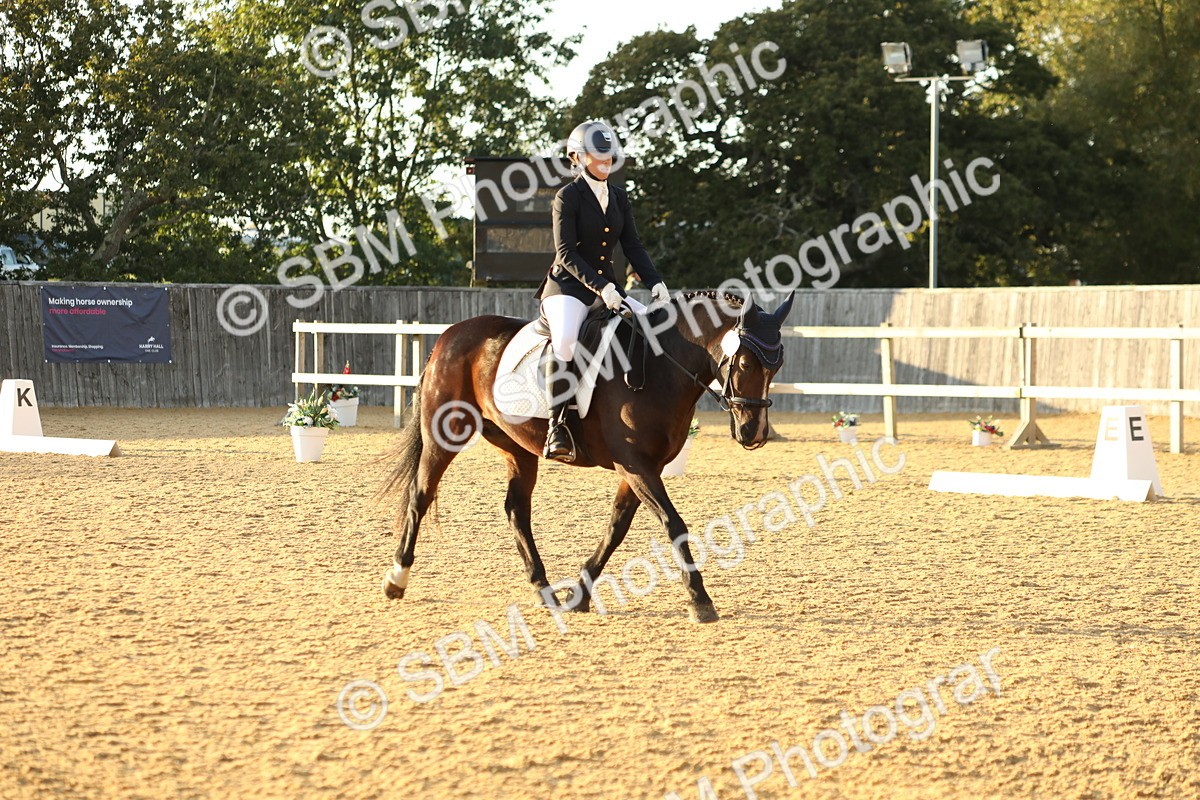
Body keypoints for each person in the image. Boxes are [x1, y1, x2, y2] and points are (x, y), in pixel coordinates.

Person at [533, 120, 671, 462]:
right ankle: (557, 426)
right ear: (578, 157)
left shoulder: (620, 197)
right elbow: (566, 253)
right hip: (566, 288)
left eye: (609, 153)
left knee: (652, 329)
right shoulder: (567, 197)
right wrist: (603, 286)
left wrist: (656, 282)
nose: (606, 159)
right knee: (565, 340)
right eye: (598, 153)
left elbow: (633, 246)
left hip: (608, 288)